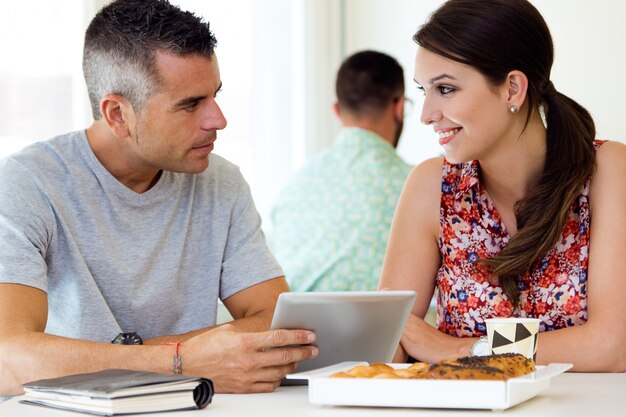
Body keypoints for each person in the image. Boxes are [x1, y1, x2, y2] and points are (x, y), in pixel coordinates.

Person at [0, 0, 318, 399]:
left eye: (214, 95)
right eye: (190, 104)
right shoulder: (27, 182)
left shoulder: (221, 181)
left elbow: (275, 321)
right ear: (117, 114)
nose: (218, 119)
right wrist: (182, 361)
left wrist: (131, 356)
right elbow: (8, 358)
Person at [379, 0, 626, 372]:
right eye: (424, 90)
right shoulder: (430, 185)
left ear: (512, 88)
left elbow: (612, 347)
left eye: (445, 89)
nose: (427, 115)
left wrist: (460, 349)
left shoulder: (608, 170)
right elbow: (393, 336)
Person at [271, 50, 412, 291]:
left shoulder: (295, 185)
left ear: (336, 110)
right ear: (398, 106)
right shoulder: (417, 186)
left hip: (296, 326)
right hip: (386, 327)